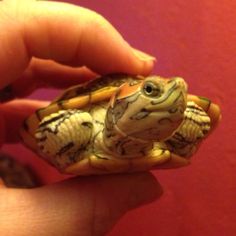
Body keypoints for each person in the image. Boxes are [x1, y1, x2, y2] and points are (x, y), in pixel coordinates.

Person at [0, 1, 161, 235]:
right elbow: (48, 130)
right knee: (79, 124)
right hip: (84, 133)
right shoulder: (86, 123)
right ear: (119, 104)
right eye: (150, 91)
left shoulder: (168, 129)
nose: (176, 94)